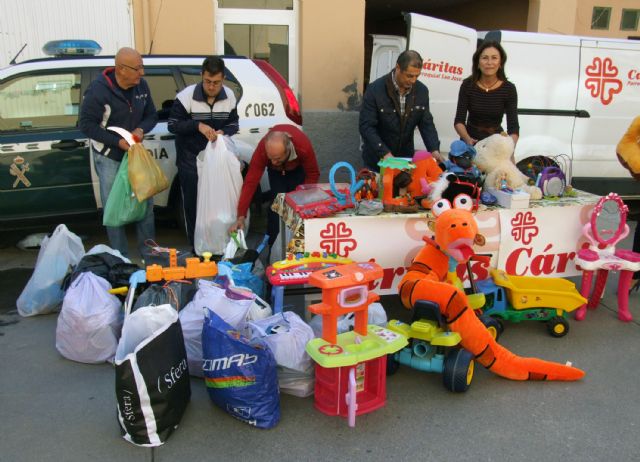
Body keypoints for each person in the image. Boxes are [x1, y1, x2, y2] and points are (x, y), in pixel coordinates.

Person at [79, 47, 158, 259]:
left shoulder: (141, 86)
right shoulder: (98, 91)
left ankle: (149, 254)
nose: (142, 73)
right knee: (114, 210)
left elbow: (152, 115)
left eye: (143, 67)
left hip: (136, 154)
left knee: (146, 205)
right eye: (138, 68)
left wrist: (141, 130)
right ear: (121, 69)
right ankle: (120, 256)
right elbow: (86, 125)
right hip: (110, 157)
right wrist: (117, 142)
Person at [168, 56, 239, 246]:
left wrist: (223, 132)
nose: (211, 86)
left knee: (217, 204)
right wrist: (197, 125)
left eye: (216, 82)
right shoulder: (186, 96)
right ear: (201, 76)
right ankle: (196, 246)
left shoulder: (229, 96)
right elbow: (173, 125)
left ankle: (217, 244)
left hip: (216, 160)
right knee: (193, 205)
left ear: (223, 79)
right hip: (190, 159)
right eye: (207, 81)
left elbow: (234, 123)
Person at [229, 124, 320, 246]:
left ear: (287, 150)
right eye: (270, 158)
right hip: (276, 173)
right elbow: (251, 181)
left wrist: (304, 200)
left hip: (297, 170)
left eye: (276, 158)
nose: (273, 162)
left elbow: (313, 173)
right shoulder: (263, 149)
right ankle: (273, 250)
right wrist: (241, 216)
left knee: (295, 211)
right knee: (278, 208)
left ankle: (298, 249)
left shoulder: (302, 146)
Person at [359, 50, 442, 172]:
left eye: (417, 76)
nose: (413, 81)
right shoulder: (375, 90)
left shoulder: (422, 91)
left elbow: (426, 124)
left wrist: (434, 150)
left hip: (405, 159)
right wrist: (385, 153)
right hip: (376, 161)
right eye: (409, 75)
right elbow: (366, 127)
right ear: (398, 68)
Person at [454, 40, 519, 148]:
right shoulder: (467, 85)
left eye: (494, 58)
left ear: (500, 63)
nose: (489, 63)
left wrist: (508, 148)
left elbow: (514, 127)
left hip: (495, 145)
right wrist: (467, 139)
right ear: (478, 63)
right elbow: (458, 121)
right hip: (469, 142)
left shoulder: (509, 89)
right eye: (485, 58)